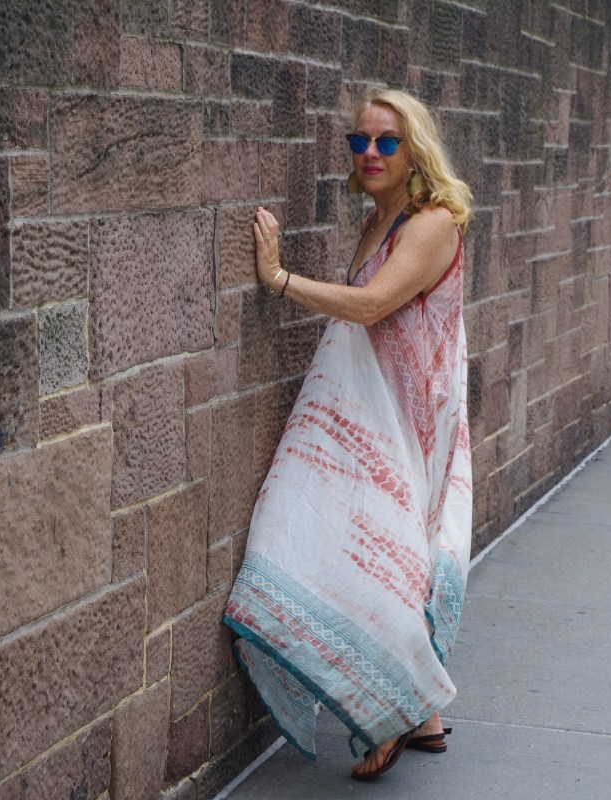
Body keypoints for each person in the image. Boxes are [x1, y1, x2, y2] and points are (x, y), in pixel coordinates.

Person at [224, 88, 475, 781]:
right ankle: (420, 715)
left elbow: (370, 307)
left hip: (402, 424)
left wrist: (278, 279)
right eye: (359, 141)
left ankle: (390, 711)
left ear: (414, 148)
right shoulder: (379, 220)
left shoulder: (430, 224)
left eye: (386, 141)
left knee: (378, 555)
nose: (369, 152)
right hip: (369, 415)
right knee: (388, 550)